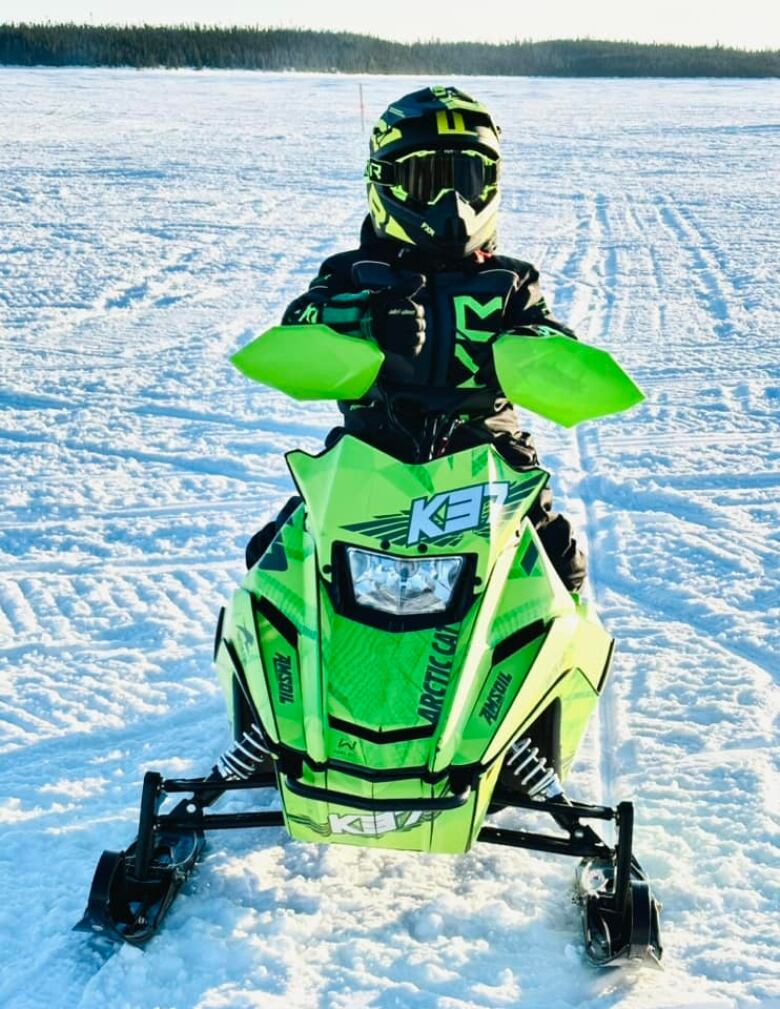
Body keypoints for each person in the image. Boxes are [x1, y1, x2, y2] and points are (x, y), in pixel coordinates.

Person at [248, 85, 585, 592]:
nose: (452, 202)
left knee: (561, 567)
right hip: (372, 447)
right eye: (426, 180)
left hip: (491, 453)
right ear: (385, 183)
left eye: (468, 180)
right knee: (274, 560)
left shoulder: (511, 280)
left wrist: (534, 346)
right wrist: (364, 319)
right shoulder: (354, 273)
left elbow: (551, 333)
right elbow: (300, 322)